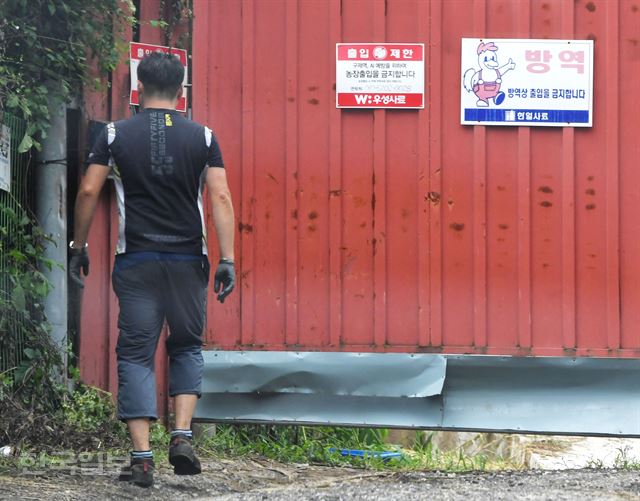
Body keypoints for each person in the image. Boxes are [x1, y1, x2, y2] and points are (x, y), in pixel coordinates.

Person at [68, 52, 236, 488]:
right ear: (182, 91)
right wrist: (228, 258)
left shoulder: (112, 134)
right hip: (188, 262)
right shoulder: (203, 137)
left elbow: (88, 189)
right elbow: (220, 198)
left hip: (138, 260)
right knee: (185, 346)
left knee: (137, 353)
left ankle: (142, 458)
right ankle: (181, 436)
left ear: (138, 89)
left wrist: (79, 245)